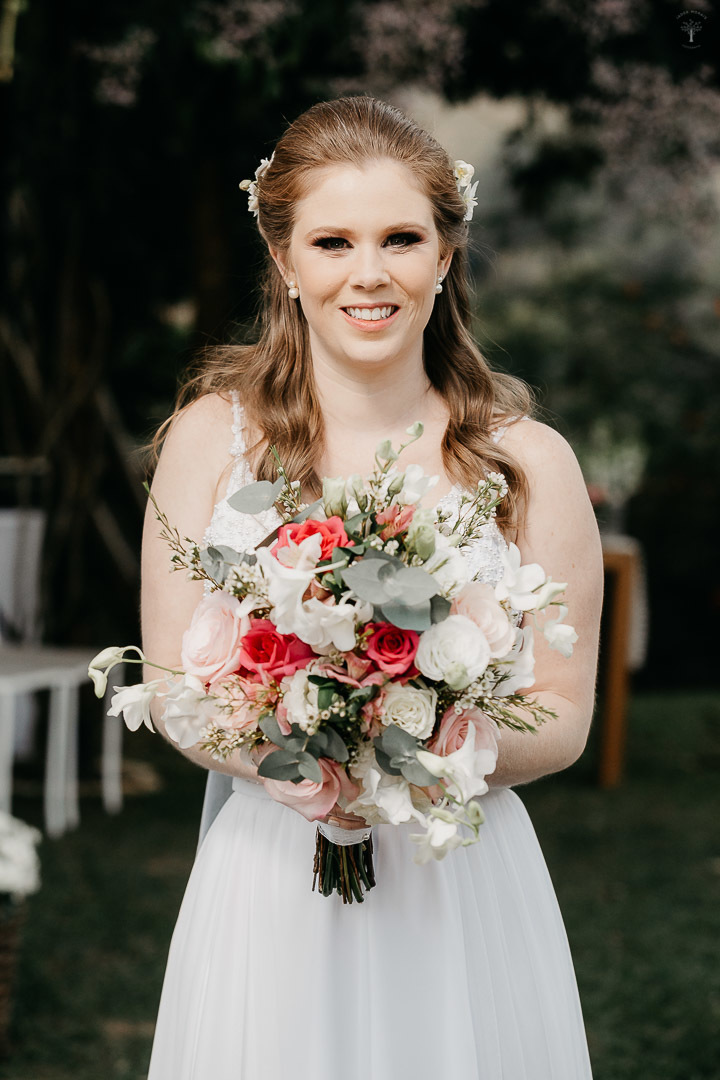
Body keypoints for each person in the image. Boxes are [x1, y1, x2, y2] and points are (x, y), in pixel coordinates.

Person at [141, 95, 603, 1079]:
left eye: (400, 238)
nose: (369, 273)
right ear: (284, 259)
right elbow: (176, 686)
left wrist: (422, 747)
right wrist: (311, 759)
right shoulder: (211, 440)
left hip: (459, 881)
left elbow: (565, 716)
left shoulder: (529, 462)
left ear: (446, 253)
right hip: (271, 879)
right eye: (332, 241)